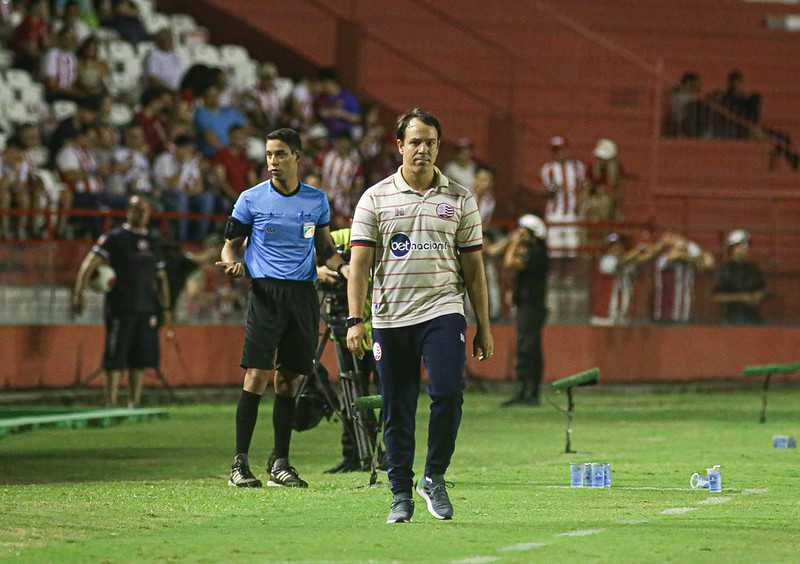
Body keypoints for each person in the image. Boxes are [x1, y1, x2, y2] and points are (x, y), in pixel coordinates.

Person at [346, 108, 493, 523]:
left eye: (430, 142)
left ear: (438, 147)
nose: (423, 149)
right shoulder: (375, 198)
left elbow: (474, 270)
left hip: (443, 310)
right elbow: (358, 265)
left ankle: (434, 476)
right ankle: (399, 494)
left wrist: (483, 323)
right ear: (399, 146)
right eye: (415, 142)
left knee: (448, 391)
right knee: (397, 408)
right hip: (390, 318)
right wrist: (355, 320)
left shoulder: (460, 199)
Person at [219, 127, 346, 489]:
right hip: (266, 295)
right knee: (257, 375)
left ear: (296, 157)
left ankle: (280, 464)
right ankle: (240, 464)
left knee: (290, 379)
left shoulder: (317, 201)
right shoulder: (250, 199)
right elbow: (231, 244)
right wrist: (230, 261)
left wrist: (345, 267)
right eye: (269, 155)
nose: (272, 162)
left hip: (304, 296)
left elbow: (324, 250)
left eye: (280, 154)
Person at [71, 195, 171, 407]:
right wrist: (78, 293)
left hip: (146, 308)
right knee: (115, 358)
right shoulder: (115, 237)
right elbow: (89, 263)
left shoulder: (154, 242)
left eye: (145, 211)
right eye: (137, 210)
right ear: (128, 212)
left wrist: (165, 307)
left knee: (140, 360)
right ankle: (111, 403)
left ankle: (134, 403)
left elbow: (161, 278)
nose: (141, 215)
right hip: (120, 307)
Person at [318, 226, 380, 474]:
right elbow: (302, 256)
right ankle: (354, 452)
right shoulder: (340, 238)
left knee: (380, 394)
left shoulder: (387, 240)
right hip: (348, 330)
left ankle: (378, 449)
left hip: (381, 330)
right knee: (353, 393)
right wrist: (319, 270)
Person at [502, 214, 548, 406]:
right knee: (526, 346)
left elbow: (510, 263)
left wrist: (512, 244)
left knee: (528, 348)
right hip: (527, 304)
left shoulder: (536, 252)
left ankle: (530, 393)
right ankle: (525, 391)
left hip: (532, 306)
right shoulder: (534, 251)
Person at [540, 135, 586, 257]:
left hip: (572, 212)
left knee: (572, 247)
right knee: (555, 249)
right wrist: (553, 189)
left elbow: (584, 188)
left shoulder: (577, 167)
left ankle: (570, 275)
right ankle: (556, 275)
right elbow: (543, 191)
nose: (560, 153)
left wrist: (581, 207)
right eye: (557, 151)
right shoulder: (548, 168)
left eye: (562, 149)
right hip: (555, 213)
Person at [712, 229, 766, 324]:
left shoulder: (753, 269)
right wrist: (741, 298)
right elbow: (717, 296)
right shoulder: (725, 270)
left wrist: (757, 297)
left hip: (753, 318)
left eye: (746, 246)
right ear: (732, 249)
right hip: (731, 318)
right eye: (740, 246)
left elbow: (761, 290)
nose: (744, 249)